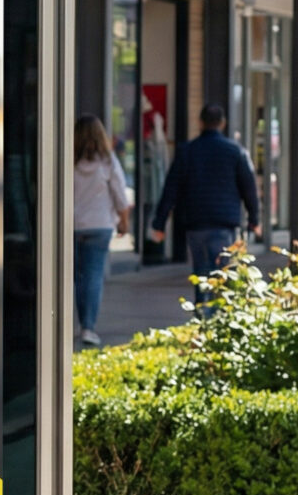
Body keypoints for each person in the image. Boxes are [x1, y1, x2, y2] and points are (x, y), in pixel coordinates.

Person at [147, 104, 261, 290]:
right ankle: (216, 307)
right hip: (225, 223)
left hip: (196, 222)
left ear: (200, 123)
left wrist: (159, 223)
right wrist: (254, 220)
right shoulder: (235, 151)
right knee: (223, 278)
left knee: (200, 273)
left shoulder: (187, 151)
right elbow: (249, 188)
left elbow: (171, 189)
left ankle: (202, 306)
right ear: (222, 123)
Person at [73, 114, 130, 348]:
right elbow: (120, 194)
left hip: (72, 226)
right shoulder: (108, 161)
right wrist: (124, 222)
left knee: (74, 278)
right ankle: (88, 327)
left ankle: (71, 324)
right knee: (93, 277)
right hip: (100, 225)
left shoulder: (68, 159)